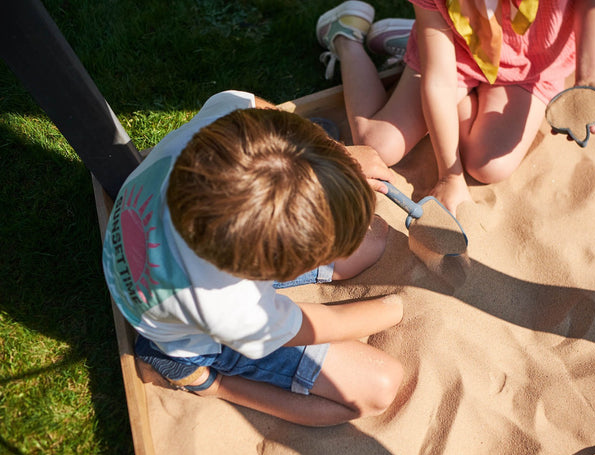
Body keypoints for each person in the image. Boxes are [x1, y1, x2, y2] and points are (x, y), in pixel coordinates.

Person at [102, 90, 405, 427]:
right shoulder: (232, 308)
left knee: (373, 238)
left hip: (163, 247)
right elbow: (311, 326)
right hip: (189, 335)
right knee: (379, 386)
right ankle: (204, 381)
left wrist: (338, 155)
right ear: (263, 271)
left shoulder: (224, 129)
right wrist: (395, 309)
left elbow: (255, 105)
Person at [316, 0, 595, 214]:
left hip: (530, 63)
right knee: (378, 145)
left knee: (489, 165)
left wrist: (591, 79)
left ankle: (422, 33)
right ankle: (345, 36)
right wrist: (449, 175)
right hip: (458, 51)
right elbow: (439, 80)